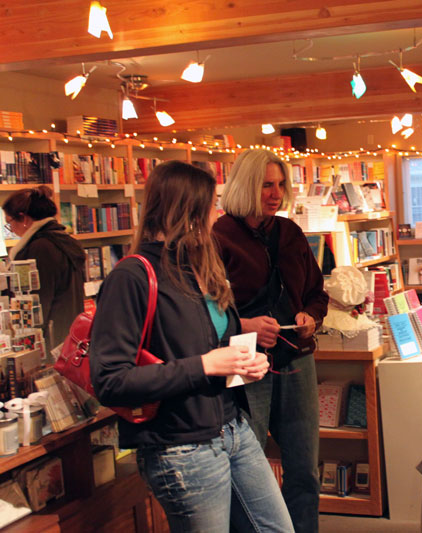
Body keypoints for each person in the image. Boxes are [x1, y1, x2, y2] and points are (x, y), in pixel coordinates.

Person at [90, 161, 293, 532]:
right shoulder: (132, 277)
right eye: (208, 207)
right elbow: (110, 381)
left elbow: (208, 342)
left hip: (233, 429)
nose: (215, 215)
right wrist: (207, 365)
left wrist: (241, 361)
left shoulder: (197, 265)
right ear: (183, 210)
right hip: (180, 447)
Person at [213, 149, 328, 533]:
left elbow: (316, 292)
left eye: (280, 184)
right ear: (247, 185)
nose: (275, 193)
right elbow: (204, 312)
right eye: (266, 185)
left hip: (296, 358)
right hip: (245, 361)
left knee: (304, 468)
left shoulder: (291, 233)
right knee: (249, 470)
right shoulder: (219, 238)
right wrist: (243, 323)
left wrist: (310, 317)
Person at [3, 186, 85, 351]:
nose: (10, 229)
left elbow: (37, 304)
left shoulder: (38, 249)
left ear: (23, 218)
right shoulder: (62, 240)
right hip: (68, 337)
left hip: (49, 343)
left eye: (9, 223)